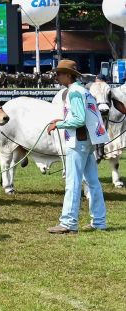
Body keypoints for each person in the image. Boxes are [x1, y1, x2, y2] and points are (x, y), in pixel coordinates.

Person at [46, 59, 109, 234]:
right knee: (92, 182)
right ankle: (99, 221)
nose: (56, 76)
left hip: (77, 141)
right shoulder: (83, 91)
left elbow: (79, 119)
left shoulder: (74, 92)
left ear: (68, 75)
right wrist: (63, 120)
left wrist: (58, 125)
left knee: (73, 182)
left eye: (59, 73)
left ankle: (68, 223)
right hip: (88, 140)